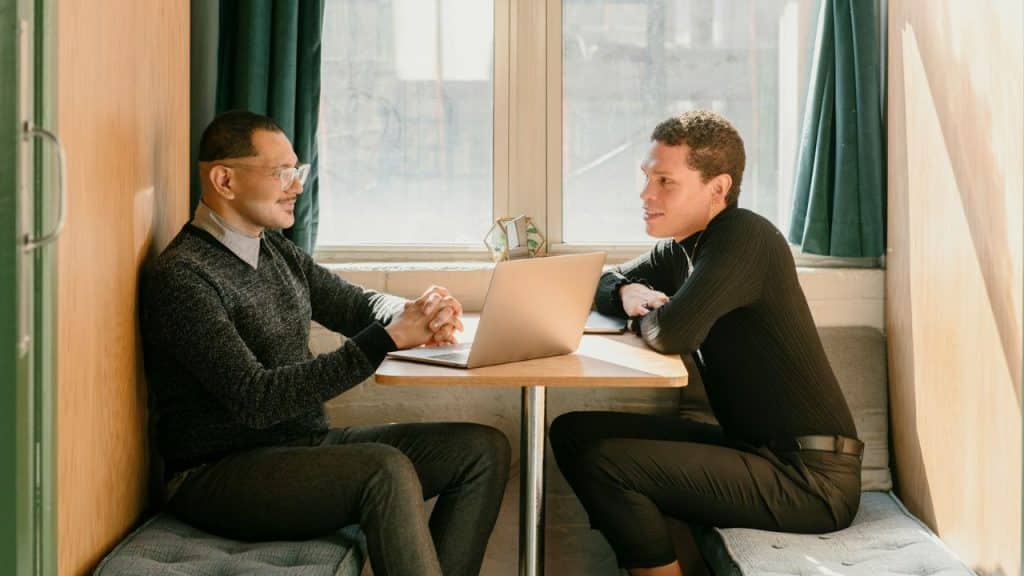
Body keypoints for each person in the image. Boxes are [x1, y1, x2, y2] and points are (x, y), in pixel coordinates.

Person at [142, 110, 510, 576]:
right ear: (224, 180)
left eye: (298, 171)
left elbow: (356, 304)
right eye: (281, 173)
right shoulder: (184, 278)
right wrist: (387, 339)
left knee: (481, 450)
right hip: (217, 475)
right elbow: (258, 400)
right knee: (385, 470)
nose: (296, 186)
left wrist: (414, 312)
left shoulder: (273, 248)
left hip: (301, 448)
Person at [549, 110, 863, 576]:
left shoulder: (745, 236)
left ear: (718, 188)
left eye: (665, 182)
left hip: (810, 480)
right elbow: (594, 282)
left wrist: (642, 316)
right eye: (646, 178)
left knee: (607, 464)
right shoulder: (681, 249)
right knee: (573, 431)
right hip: (751, 452)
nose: (646, 195)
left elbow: (673, 331)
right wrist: (623, 291)